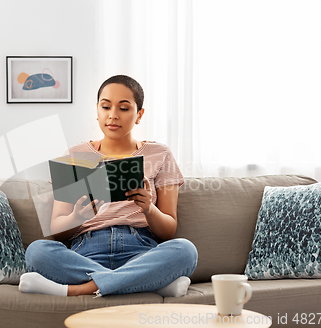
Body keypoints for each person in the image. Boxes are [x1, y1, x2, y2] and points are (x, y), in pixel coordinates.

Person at [19, 75, 198, 297]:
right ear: (97, 110)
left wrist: (148, 208)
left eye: (123, 108)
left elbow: (169, 230)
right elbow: (57, 230)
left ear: (139, 114)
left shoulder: (160, 155)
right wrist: (78, 217)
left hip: (140, 250)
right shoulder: (74, 156)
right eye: (105, 106)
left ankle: (81, 289)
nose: (112, 115)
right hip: (85, 251)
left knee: (185, 250)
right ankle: (149, 283)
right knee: (37, 251)